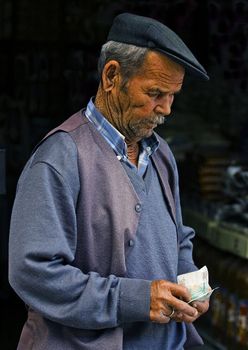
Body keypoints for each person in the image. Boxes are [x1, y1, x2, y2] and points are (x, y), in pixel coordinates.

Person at [9, 12, 210, 350]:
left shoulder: (161, 154)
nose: (167, 109)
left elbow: (177, 239)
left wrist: (191, 284)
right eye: (156, 93)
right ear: (112, 76)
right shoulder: (59, 158)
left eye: (173, 96)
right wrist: (134, 299)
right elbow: (33, 273)